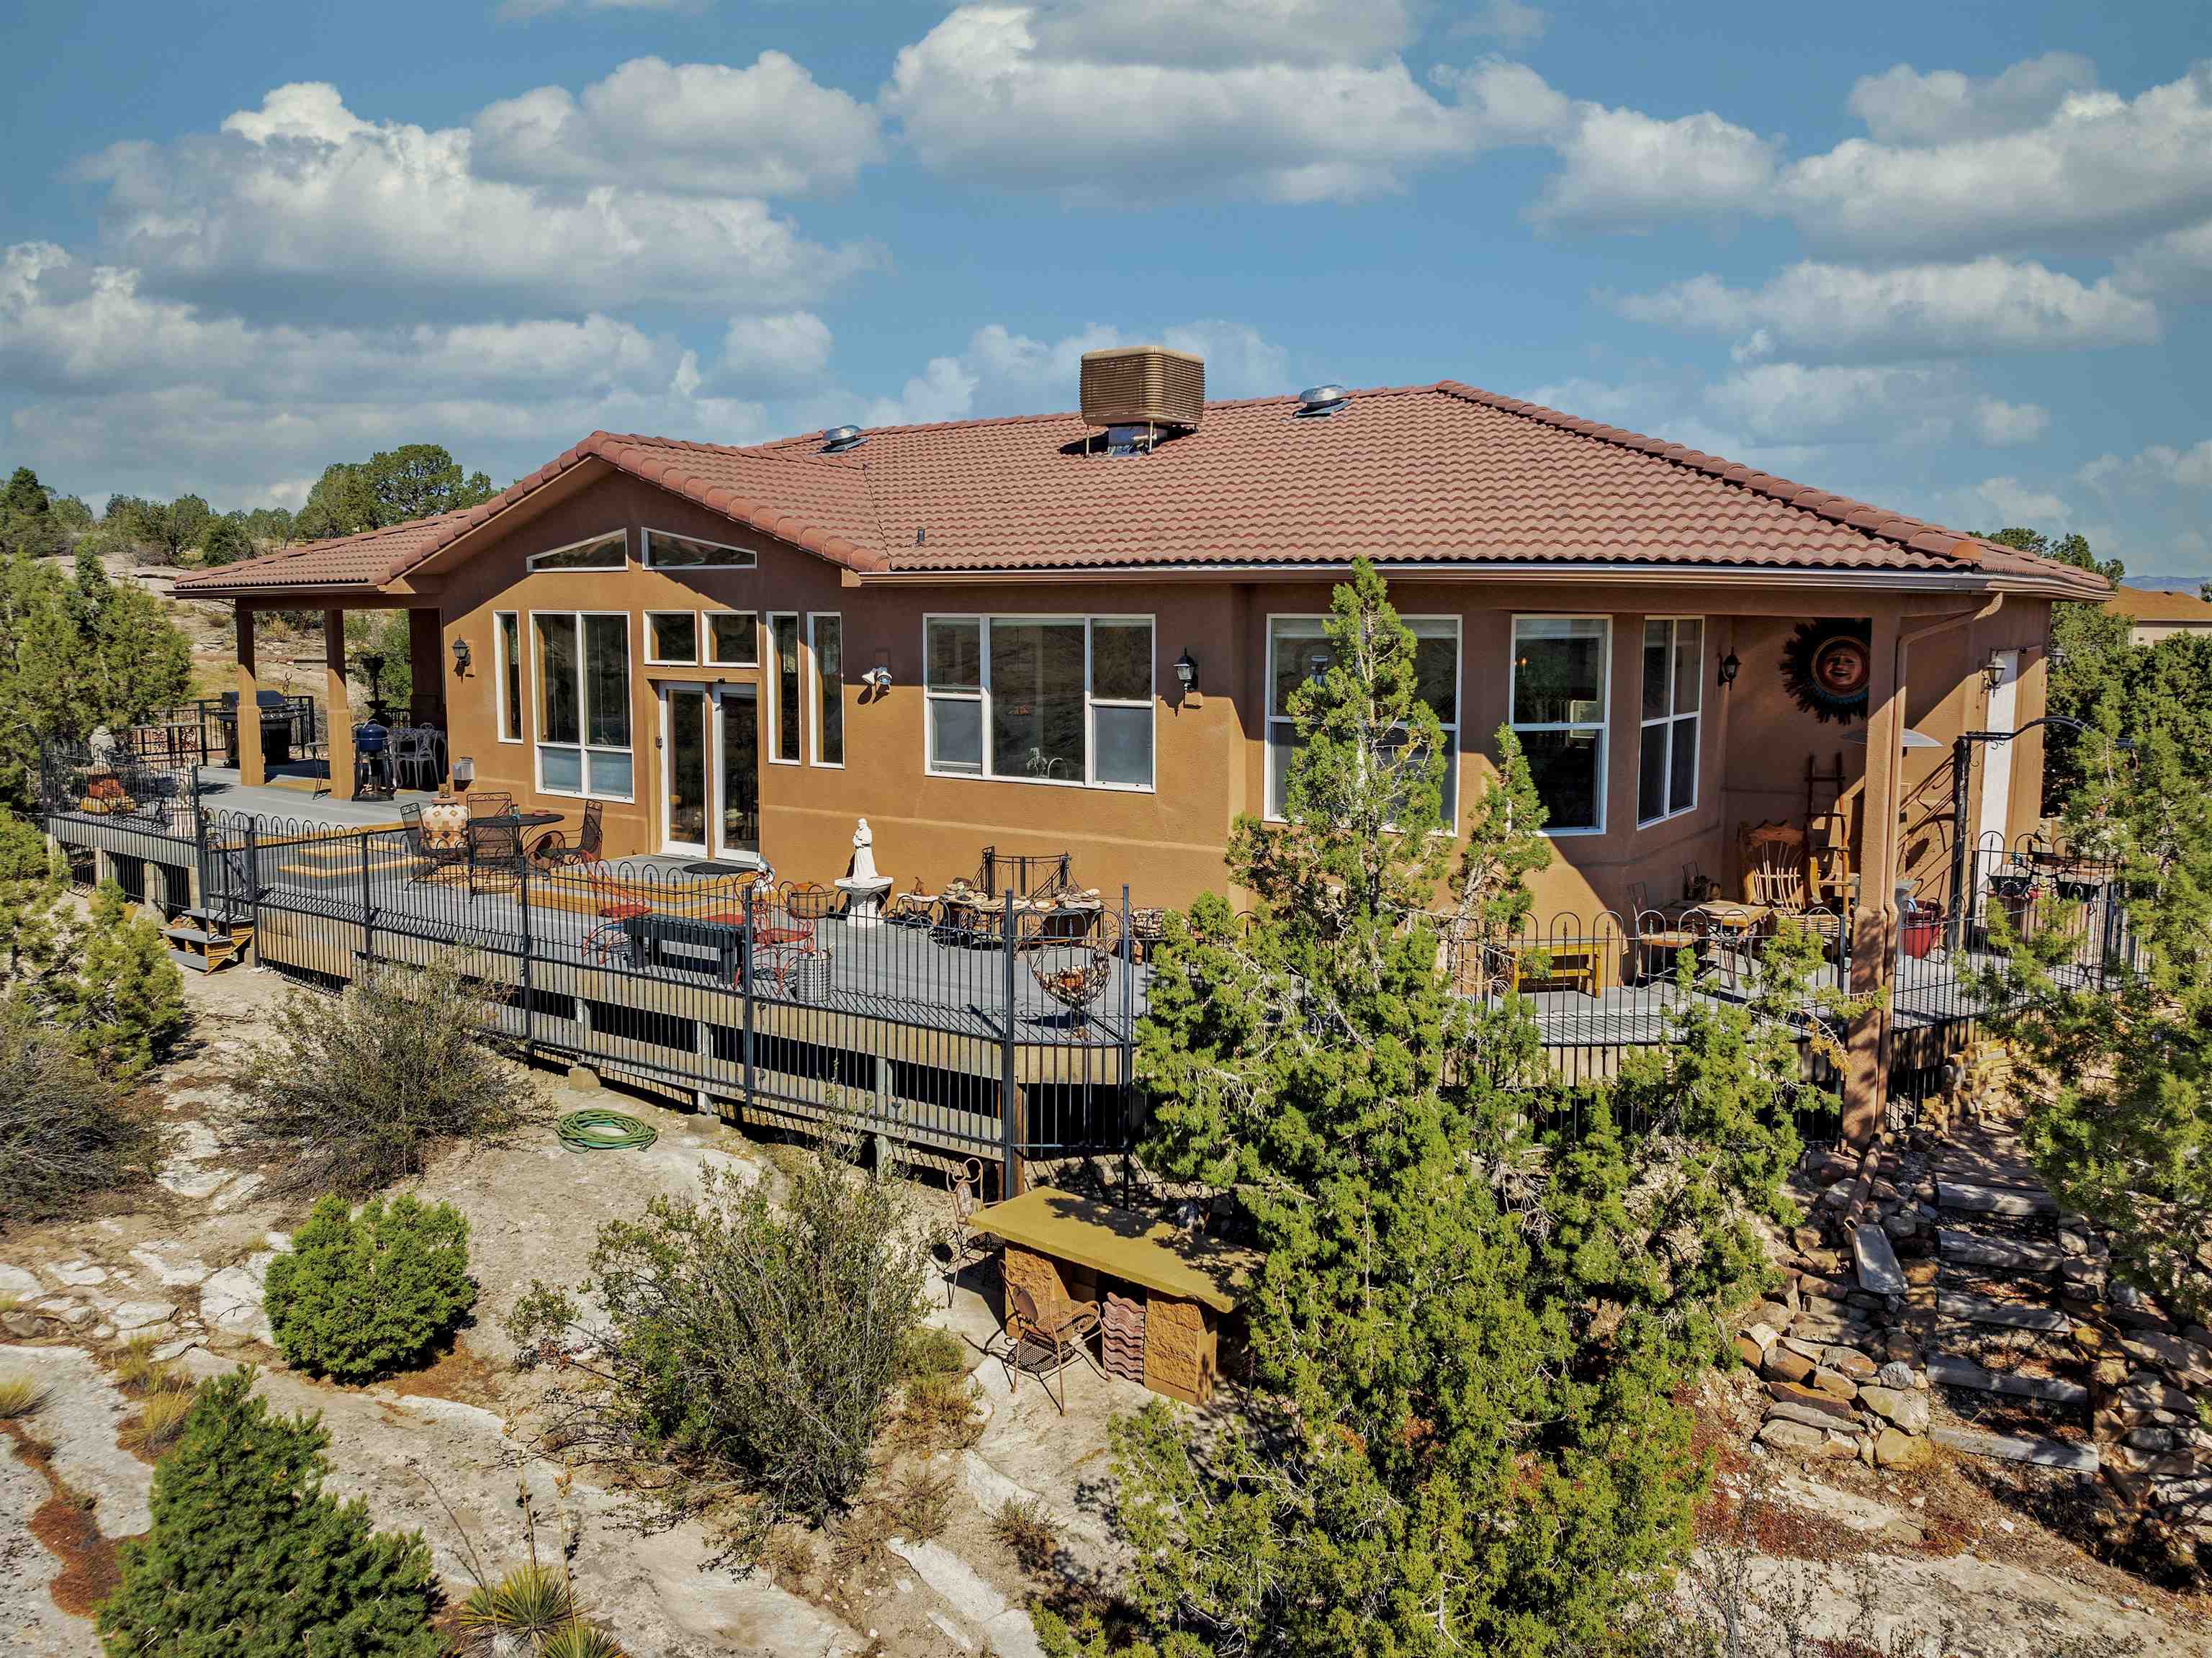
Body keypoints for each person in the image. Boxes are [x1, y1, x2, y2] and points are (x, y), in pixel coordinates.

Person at [355, 716, 392, 798]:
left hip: (378, 747)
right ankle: (375, 786)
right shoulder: (380, 729)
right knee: (375, 761)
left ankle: (377, 787)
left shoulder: (379, 730)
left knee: (378, 763)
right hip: (369, 746)